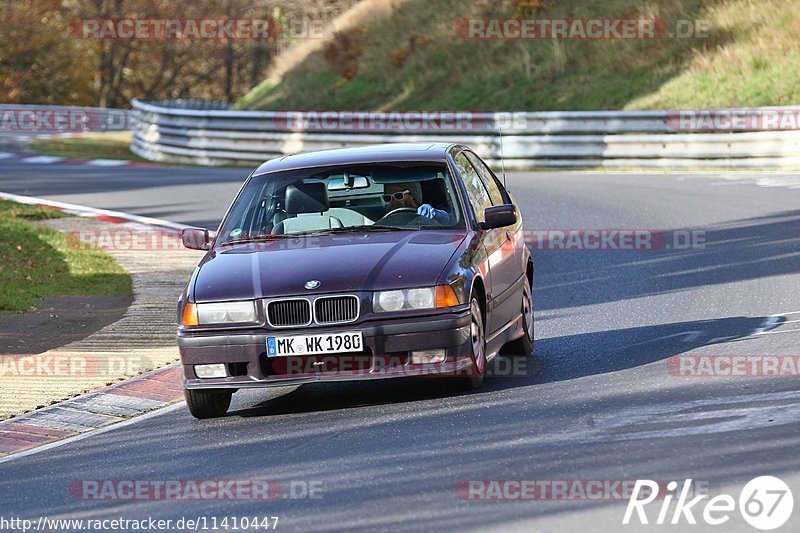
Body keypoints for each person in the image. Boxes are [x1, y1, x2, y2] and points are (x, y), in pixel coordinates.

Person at [383, 182, 451, 223]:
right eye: (388, 197)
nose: (393, 200)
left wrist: (439, 216)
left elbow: (455, 221)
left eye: (398, 195)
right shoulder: (387, 217)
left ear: (412, 194)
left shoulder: (429, 212)